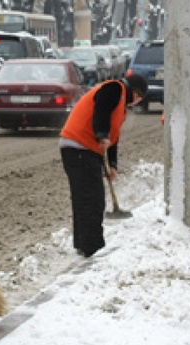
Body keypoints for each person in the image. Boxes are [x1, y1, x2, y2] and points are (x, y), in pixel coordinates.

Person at [58, 74, 147, 258]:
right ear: (136, 93)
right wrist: (101, 134)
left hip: (81, 149)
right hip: (79, 147)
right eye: (139, 97)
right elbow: (101, 109)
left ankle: (84, 244)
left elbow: (113, 138)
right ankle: (92, 246)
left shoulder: (120, 106)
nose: (136, 102)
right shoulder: (115, 89)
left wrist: (112, 165)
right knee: (92, 198)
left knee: (85, 197)